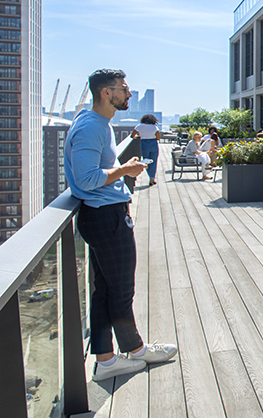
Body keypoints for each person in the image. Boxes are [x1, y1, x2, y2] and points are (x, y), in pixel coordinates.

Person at [64, 69, 177, 382]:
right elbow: (87, 179)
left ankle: (107, 360)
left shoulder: (96, 124)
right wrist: (124, 169)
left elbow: (95, 172)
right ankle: (137, 350)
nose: (129, 95)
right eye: (124, 90)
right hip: (105, 217)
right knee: (121, 290)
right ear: (105, 93)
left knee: (105, 290)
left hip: (100, 215)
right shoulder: (91, 127)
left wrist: (120, 171)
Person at [131, 114, 161, 186]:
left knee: (146, 161)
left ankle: (151, 177)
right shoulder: (154, 127)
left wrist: (138, 136)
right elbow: (158, 138)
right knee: (154, 161)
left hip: (144, 143)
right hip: (153, 143)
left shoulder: (139, 126)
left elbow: (132, 135)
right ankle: (152, 178)